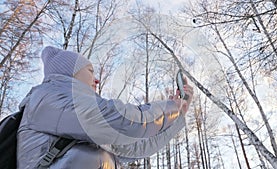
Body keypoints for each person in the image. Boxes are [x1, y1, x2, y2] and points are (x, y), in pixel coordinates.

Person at [17, 46, 194, 169]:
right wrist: (170, 107)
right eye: (90, 70)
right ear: (70, 72)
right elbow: (122, 121)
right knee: (93, 157)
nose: (96, 79)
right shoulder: (50, 97)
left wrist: (177, 116)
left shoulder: (79, 122)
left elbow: (136, 147)